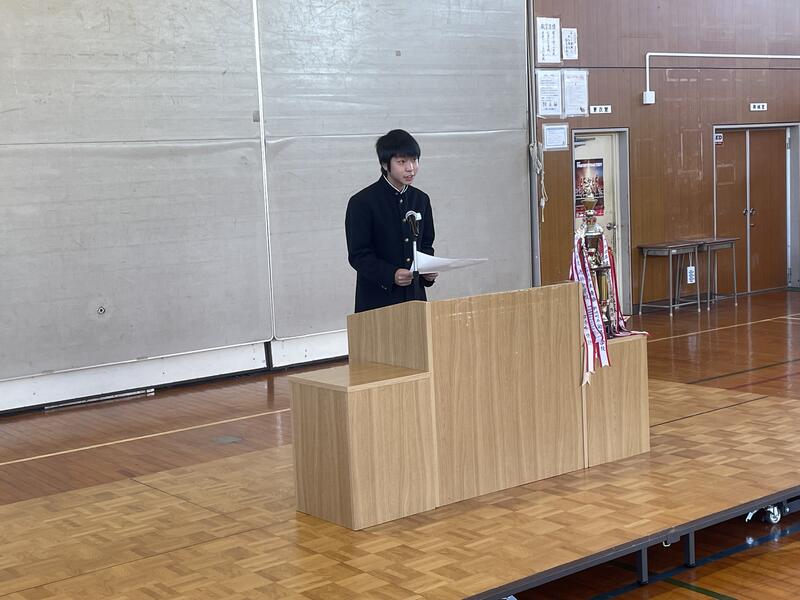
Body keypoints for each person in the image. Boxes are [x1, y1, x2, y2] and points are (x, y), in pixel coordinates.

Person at [345, 129, 437, 313]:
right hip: (377, 301)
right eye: (402, 162)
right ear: (385, 164)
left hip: (415, 298)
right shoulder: (362, 202)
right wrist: (390, 274)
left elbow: (426, 244)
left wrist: (428, 271)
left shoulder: (421, 199)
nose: (410, 168)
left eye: (414, 160)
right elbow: (359, 255)